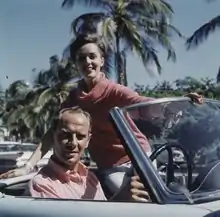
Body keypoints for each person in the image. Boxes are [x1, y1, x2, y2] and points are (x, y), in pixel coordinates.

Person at [0, 33, 203, 196]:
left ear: (101, 60)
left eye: (92, 56)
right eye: (81, 58)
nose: (87, 62)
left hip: (140, 156)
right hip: (111, 167)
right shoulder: (72, 99)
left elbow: (144, 104)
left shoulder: (114, 90)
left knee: (156, 195)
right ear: (76, 64)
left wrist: (177, 103)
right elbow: (51, 135)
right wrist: (28, 167)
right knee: (126, 199)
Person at [29, 106, 149, 201]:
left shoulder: (90, 177)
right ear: (53, 137)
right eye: (65, 135)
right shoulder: (42, 185)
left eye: (80, 137)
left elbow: (102, 210)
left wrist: (124, 197)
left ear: (88, 141)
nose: (73, 143)